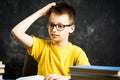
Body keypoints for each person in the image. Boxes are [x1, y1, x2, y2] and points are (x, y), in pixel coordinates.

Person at [11, 2, 90, 80]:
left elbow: (88, 77)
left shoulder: (77, 52)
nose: (54, 30)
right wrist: (41, 12)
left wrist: (66, 78)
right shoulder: (41, 46)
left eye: (60, 26)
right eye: (51, 25)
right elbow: (16, 32)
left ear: (71, 28)